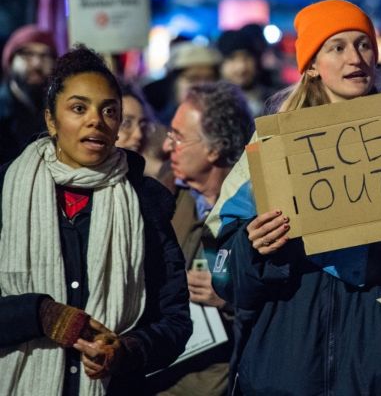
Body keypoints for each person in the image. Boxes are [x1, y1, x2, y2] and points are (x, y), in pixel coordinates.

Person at [205, 0, 381, 395]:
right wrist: (253, 249)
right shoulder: (272, 147)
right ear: (310, 64)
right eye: (336, 47)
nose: (354, 58)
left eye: (363, 44)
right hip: (283, 372)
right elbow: (221, 264)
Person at [0, 46, 191, 396]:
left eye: (109, 111)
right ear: (50, 120)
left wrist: (129, 351)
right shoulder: (4, 193)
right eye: (78, 108)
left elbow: (175, 321)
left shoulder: (145, 202)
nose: (95, 120)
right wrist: (37, 314)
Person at [148, 82, 254, 395]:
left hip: (221, 381)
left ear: (215, 148)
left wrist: (230, 296)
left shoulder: (256, 207)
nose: (168, 147)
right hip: (158, 379)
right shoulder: (165, 193)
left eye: (178, 138)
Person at [0, 24, 57, 164]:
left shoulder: (57, 110)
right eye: (27, 54)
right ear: (10, 60)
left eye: (45, 55)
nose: (37, 64)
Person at [144, 43, 222, 125]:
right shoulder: (154, 118)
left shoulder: (222, 121)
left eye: (209, 78)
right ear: (174, 82)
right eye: (193, 79)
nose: (202, 85)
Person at [217, 29, 277, 117]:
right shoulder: (211, 104)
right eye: (232, 58)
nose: (241, 67)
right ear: (221, 63)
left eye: (247, 58)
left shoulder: (274, 101)